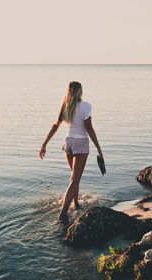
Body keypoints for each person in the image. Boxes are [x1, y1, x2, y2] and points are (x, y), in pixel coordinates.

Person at [39, 81, 103, 222]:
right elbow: (89, 128)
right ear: (80, 91)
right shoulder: (86, 106)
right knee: (75, 179)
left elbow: (56, 125)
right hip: (81, 144)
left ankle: (76, 203)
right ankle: (63, 213)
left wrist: (44, 144)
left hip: (68, 143)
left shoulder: (65, 105)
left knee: (74, 177)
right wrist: (99, 148)